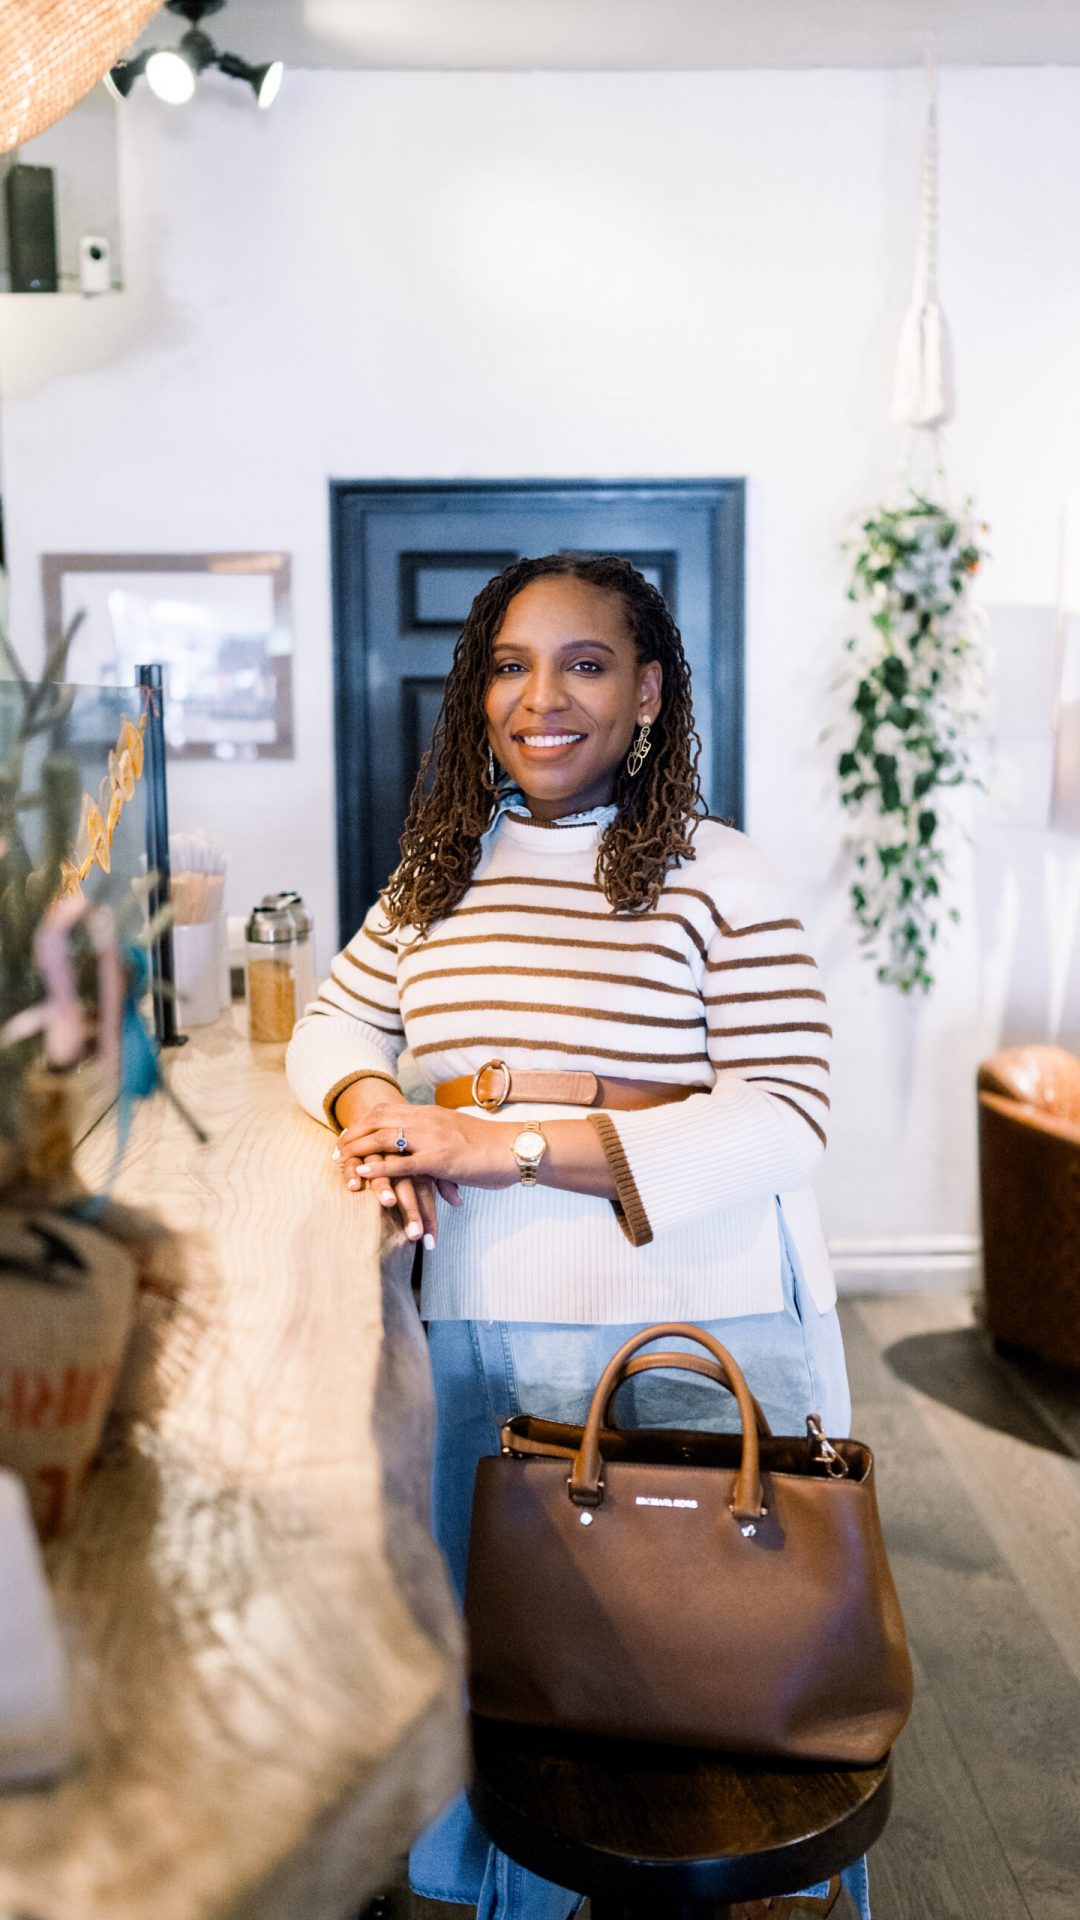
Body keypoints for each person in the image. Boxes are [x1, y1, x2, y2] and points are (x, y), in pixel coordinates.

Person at [286, 554, 868, 1920]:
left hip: (689, 1329)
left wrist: (507, 1141)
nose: (541, 698)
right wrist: (379, 1105)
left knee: (706, 1670)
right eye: (508, 664)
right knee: (527, 1683)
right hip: (482, 1329)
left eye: (586, 663)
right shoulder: (442, 868)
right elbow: (333, 1025)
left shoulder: (721, 872)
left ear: (650, 689)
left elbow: (788, 1115)